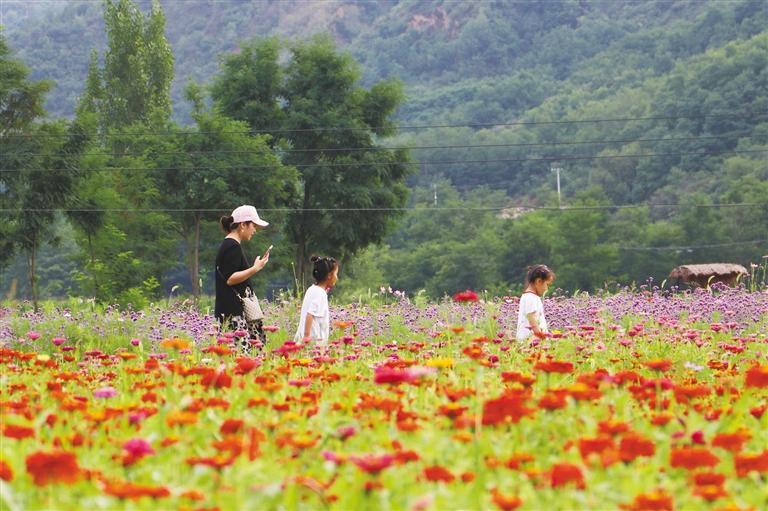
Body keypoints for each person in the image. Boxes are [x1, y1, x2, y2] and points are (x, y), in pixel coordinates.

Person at [215, 205, 271, 353]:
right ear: (242, 225)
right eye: (253, 226)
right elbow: (230, 278)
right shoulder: (232, 246)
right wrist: (255, 268)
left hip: (230, 311)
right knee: (240, 356)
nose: (255, 230)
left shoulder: (230, 245)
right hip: (233, 313)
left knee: (240, 355)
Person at [294, 256, 339, 346]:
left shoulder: (312, 289)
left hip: (306, 341)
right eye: (335, 274)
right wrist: (306, 337)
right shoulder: (320, 293)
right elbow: (310, 314)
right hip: (313, 343)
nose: (336, 277)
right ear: (329, 275)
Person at [516, 264, 556, 341]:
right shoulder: (530, 297)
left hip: (532, 341)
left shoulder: (531, 297)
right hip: (531, 342)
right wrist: (542, 338)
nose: (547, 289)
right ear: (539, 281)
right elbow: (532, 320)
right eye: (547, 284)